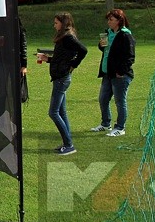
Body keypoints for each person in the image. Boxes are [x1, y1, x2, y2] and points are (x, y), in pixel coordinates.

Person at [37, 12, 87, 155]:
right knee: (61, 111)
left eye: (56, 23)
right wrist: (48, 59)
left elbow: (83, 50)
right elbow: (61, 58)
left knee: (53, 112)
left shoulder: (68, 37)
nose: (54, 25)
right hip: (59, 77)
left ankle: (69, 145)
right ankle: (67, 142)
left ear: (63, 23)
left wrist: (74, 64)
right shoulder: (64, 37)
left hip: (61, 78)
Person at [90, 9, 136, 137]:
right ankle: (106, 124)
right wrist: (101, 45)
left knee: (120, 101)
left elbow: (130, 57)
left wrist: (121, 71)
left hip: (120, 75)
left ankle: (120, 128)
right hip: (108, 73)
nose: (108, 22)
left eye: (111, 19)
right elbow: (106, 49)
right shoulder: (108, 33)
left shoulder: (125, 35)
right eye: (108, 19)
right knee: (103, 99)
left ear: (119, 21)